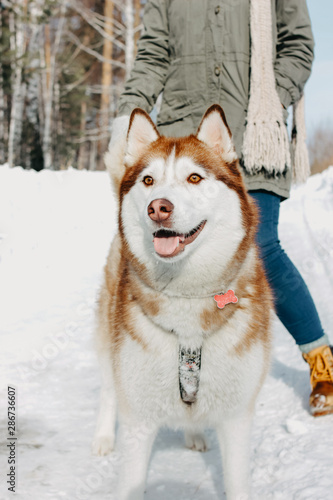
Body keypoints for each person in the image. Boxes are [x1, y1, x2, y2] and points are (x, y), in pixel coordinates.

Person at [108, 0, 333, 416]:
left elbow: (298, 44)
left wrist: (265, 98)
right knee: (175, 256)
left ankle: (321, 359)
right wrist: (127, 117)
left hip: (254, 134)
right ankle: (192, 359)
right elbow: (154, 50)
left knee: (258, 246)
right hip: (182, 139)